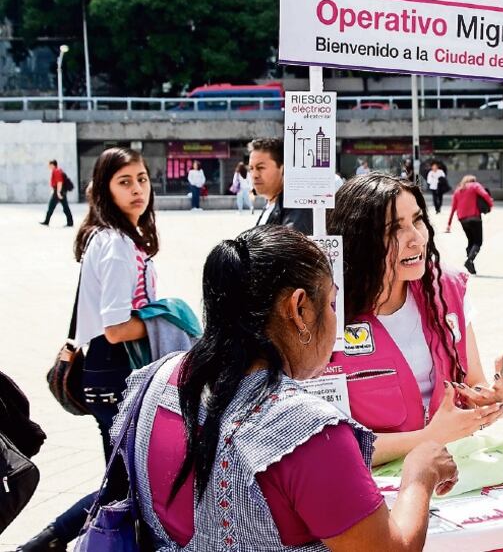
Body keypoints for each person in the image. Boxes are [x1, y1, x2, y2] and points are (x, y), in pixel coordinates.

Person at [117, 225, 458, 550]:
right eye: (331, 304)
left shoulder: (157, 378)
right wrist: (420, 474)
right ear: (299, 309)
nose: (335, 319)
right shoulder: (308, 431)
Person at [21, 147, 161, 552]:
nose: (137, 189)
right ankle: (48, 542)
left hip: (107, 370)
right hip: (115, 369)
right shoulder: (116, 244)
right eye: (124, 182)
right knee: (125, 484)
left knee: (126, 482)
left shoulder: (115, 237)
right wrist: (170, 319)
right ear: (105, 189)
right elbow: (115, 328)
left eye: (142, 179)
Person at [326, 174, 503, 466]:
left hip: (449, 471)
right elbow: (324, 444)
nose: (416, 238)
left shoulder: (446, 289)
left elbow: (473, 382)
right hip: (367, 484)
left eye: (417, 220)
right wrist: (428, 437)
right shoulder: (325, 314)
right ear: (357, 240)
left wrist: (489, 401)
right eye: (394, 229)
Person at [248, 138, 312, 234]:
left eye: (260, 167)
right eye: (251, 168)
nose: (254, 175)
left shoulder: (297, 207)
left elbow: (290, 241)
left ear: (283, 169)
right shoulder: (270, 204)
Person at [446, 175, 493, 275]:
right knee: (478, 242)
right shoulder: (475, 185)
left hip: (462, 219)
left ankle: (470, 262)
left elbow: (453, 208)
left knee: (471, 241)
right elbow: (485, 194)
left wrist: (449, 224)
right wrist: (490, 204)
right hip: (474, 217)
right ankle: (469, 260)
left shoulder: (458, 190)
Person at [40, 159, 73, 227]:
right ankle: (70, 222)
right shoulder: (58, 170)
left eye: (49, 165)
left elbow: (59, 182)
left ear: (52, 165)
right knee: (65, 207)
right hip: (60, 191)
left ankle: (46, 221)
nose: (48, 166)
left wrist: (58, 192)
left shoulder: (56, 171)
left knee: (51, 206)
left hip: (58, 191)